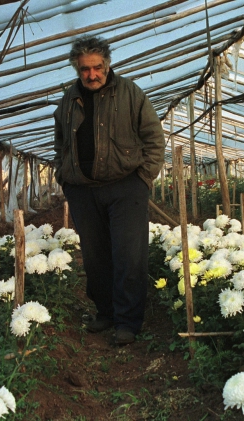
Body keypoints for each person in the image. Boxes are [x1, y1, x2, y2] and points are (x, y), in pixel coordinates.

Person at [53, 35, 165, 345]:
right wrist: (65, 176)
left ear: (108, 64)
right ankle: (106, 313)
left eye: (97, 67)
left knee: (129, 255)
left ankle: (128, 321)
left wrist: (143, 179)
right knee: (95, 256)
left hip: (126, 187)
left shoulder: (130, 93)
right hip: (83, 191)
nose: (91, 75)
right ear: (77, 68)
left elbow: (154, 138)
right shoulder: (68, 100)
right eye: (84, 69)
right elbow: (60, 143)